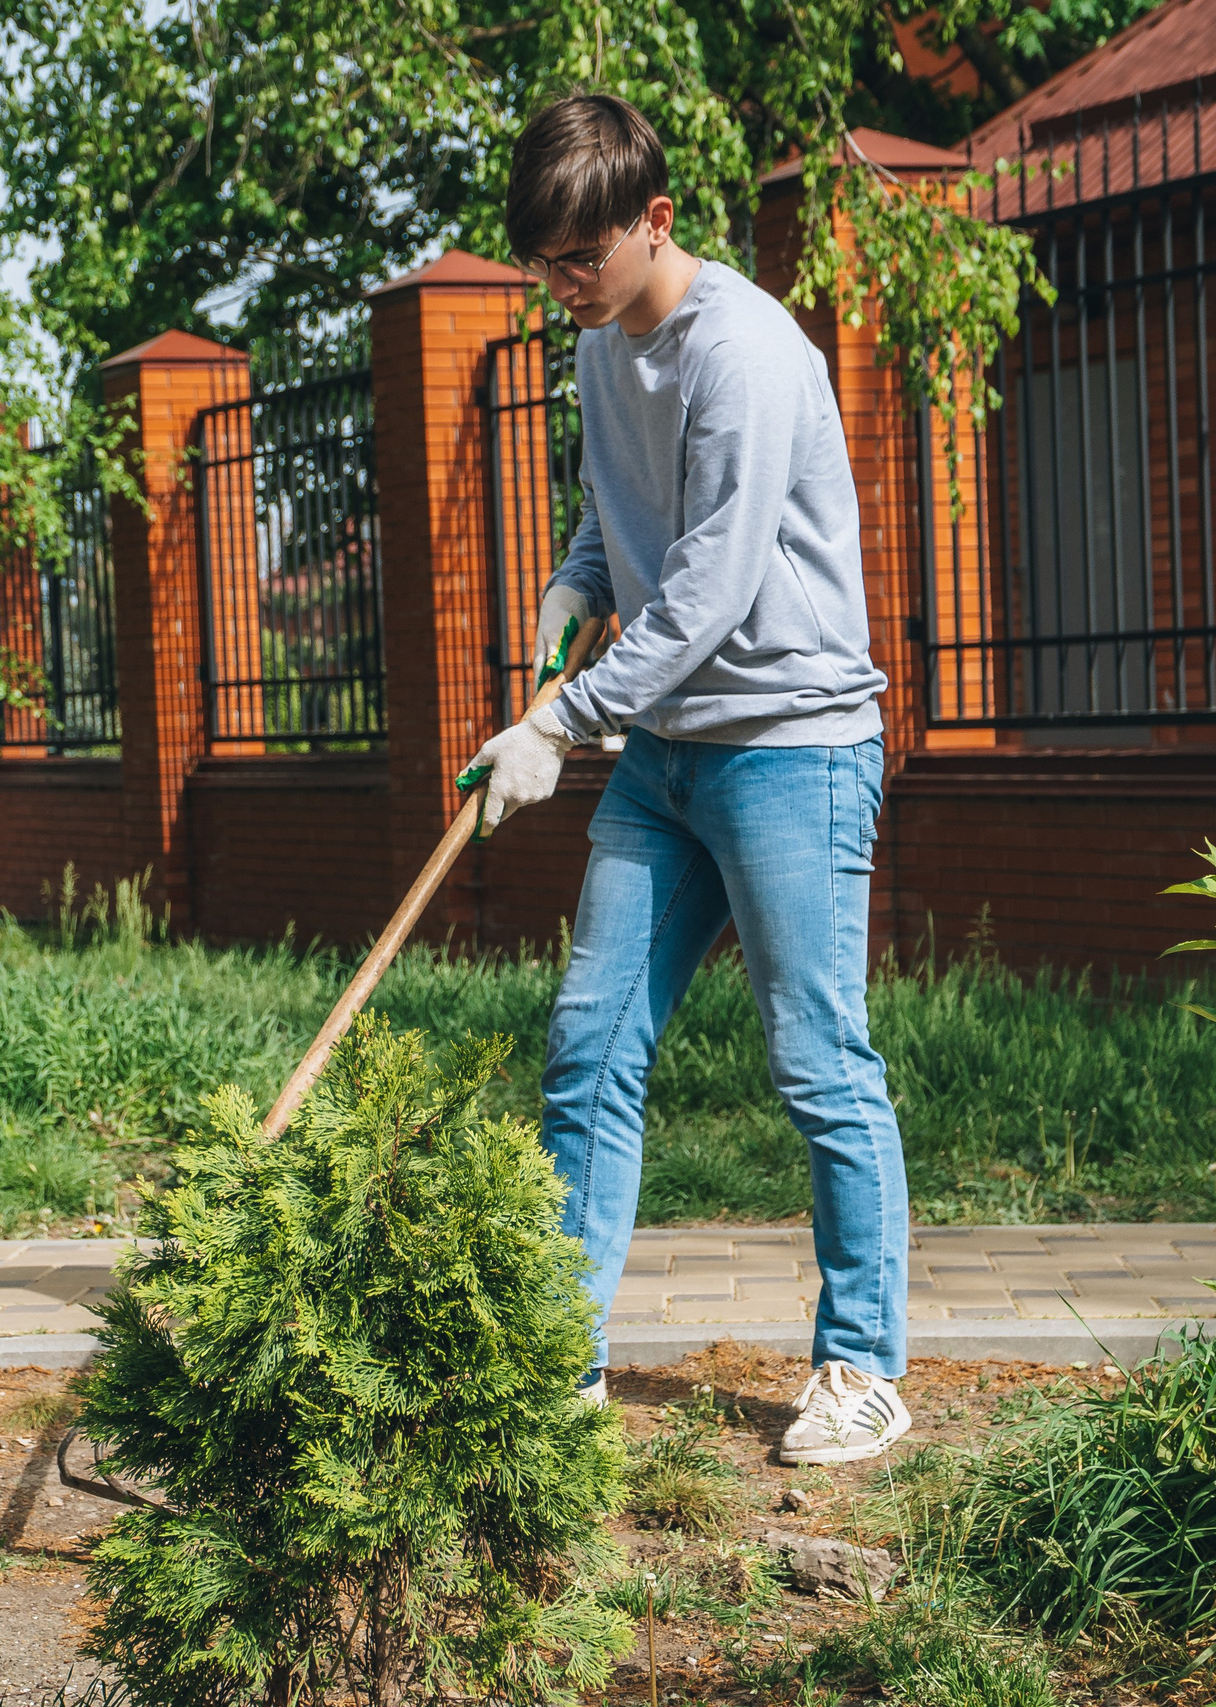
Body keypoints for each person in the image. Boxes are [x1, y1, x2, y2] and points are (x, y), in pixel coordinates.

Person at [466, 92, 910, 1466]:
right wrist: (569, 586)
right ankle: (562, 1356)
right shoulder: (605, 343)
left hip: (791, 745)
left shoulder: (748, 355)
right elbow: (623, 510)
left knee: (819, 1060)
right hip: (670, 755)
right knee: (589, 1047)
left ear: (656, 220)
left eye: (581, 259)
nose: (563, 286)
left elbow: (714, 582)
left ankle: (863, 1371)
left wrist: (563, 721)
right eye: (545, 264)